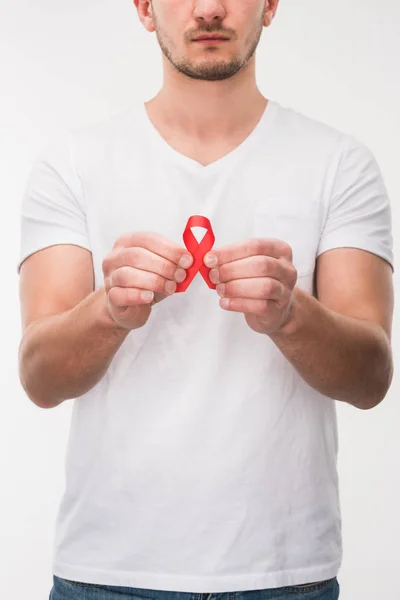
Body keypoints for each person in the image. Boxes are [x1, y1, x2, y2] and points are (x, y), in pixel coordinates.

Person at [17, 0, 394, 599]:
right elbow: (39, 376)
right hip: (108, 572)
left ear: (271, 6)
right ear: (143, 8)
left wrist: (291, 314)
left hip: (285, 573)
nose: (210, 8)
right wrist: (107, 312)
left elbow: (373, 375)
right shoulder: (73, 164)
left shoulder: (340, 165)